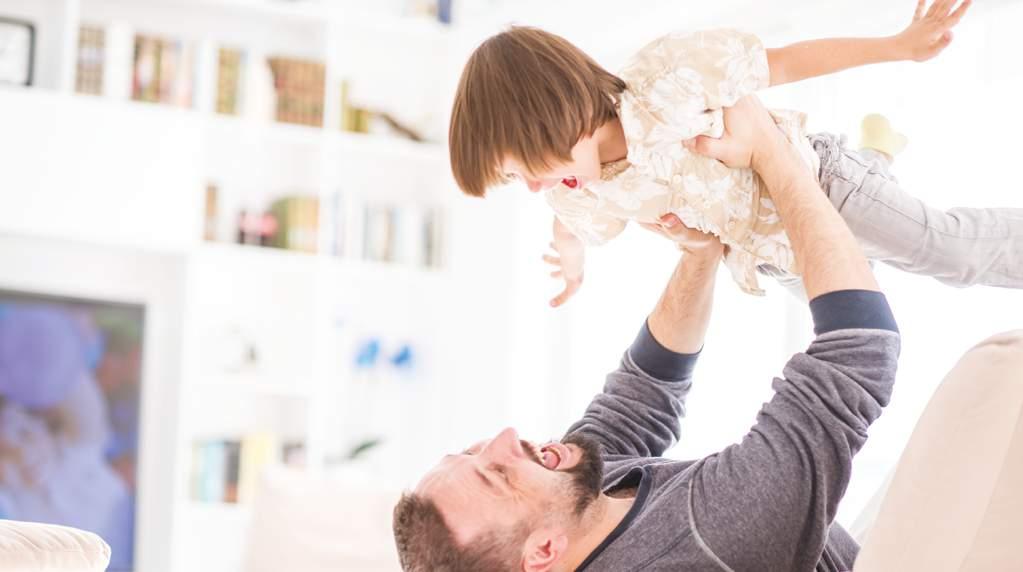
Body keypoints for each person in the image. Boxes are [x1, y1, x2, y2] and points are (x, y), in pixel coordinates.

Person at [393, 94, 900, 571]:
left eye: (472, 451)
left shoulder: (571, 498)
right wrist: (772, 151)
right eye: (498, 475)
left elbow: (643, 392)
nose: (504, 439)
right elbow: (859, 351)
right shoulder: (709, 538)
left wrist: (699, 257)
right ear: (544, 551)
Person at [449, 0, 1023, 305]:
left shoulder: (664, 80)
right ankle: (877, 151)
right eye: (512, 178)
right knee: (862, 311)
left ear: (551, 116)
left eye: (525, 166)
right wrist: (570, 261)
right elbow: (566, 224)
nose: (531, 186)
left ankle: (869, 162)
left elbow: (786, 62)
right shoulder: (585, 188)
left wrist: (897, 47)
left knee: (945, 253)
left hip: (822, 187)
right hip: (777, 257)